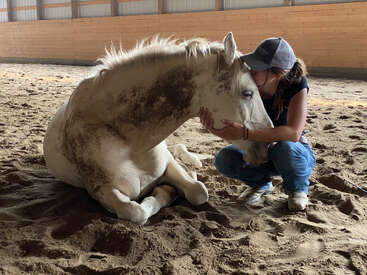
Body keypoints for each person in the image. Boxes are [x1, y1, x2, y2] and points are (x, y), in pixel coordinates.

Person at [199, 37, 315, 211]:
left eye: (258, 68)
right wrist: (215, 128)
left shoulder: (296, 85)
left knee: (284, 147)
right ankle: (260, 184)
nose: (251, 70)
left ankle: (297, 189)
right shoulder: (248, 85)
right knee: (224, 159)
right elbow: (234, 125)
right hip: (259, 148)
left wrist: (245, 134)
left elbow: (293, 134)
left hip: (292, 153)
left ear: (277, 74)